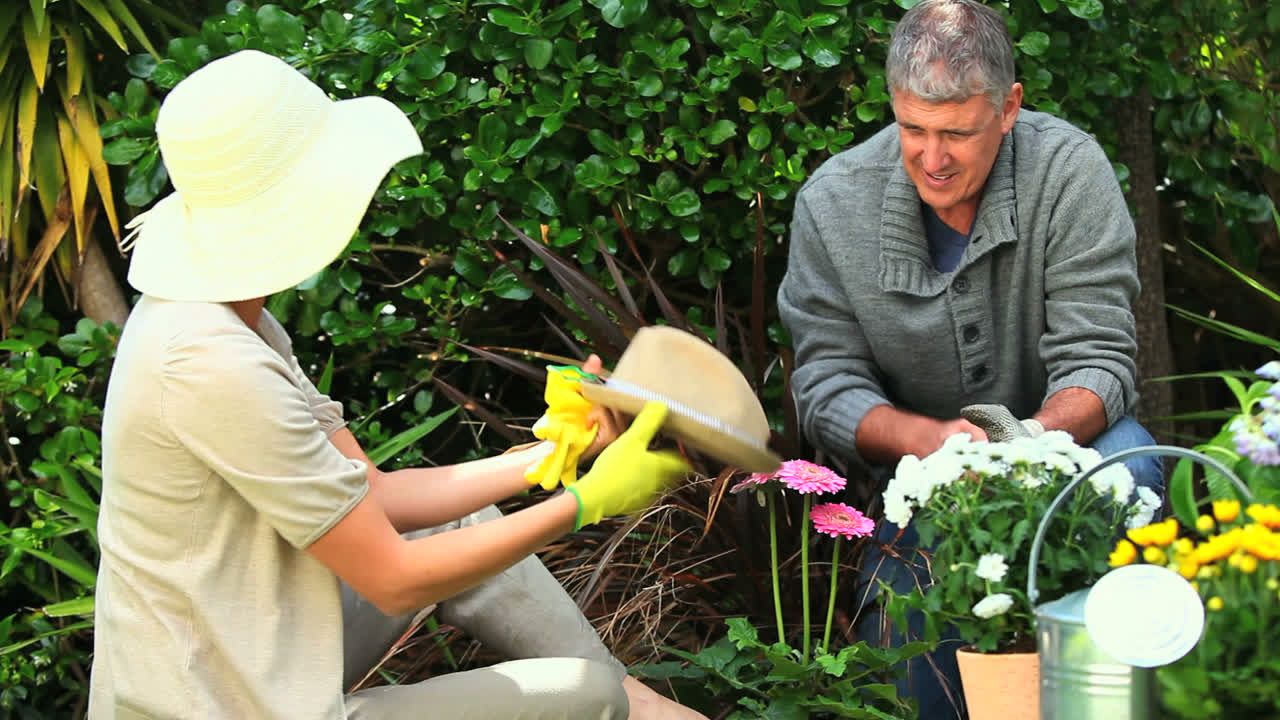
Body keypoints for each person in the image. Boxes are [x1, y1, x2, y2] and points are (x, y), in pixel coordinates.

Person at [89, 49, 707, 720]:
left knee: (462, 520)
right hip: (215, 706)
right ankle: (628, 708)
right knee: (584, 701)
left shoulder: (236, 319)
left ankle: (645, 707)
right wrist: (586, 500)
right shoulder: (207, 362)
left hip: (256, 647)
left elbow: (374, 496)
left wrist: (551, 454)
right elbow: (392, 579)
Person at [776, 0, 1162, 716]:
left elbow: (1100, 358)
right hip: (918, 472)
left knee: (1129, 467)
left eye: (956, 133)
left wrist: (1020, 451)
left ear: (1009, 108)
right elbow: (827, 383)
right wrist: (933, 444)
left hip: (1069, 444)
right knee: (917, 605)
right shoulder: (833, 203)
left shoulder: (1069, 171)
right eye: (912, 130)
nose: (932, 158)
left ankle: (1106, 700)